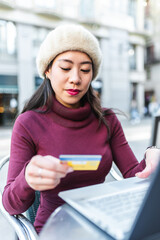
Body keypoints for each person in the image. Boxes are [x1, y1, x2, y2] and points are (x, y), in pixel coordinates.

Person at [2, 24, 160, 234]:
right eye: (66, 68)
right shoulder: (28, 123)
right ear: (48, 70)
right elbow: (11, 205)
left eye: (85, 69)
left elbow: (134, 175)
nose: (76, 78)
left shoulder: (107, 120)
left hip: (103, 224)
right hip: (54, 230)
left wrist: (152, 155)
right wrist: (27, 178)